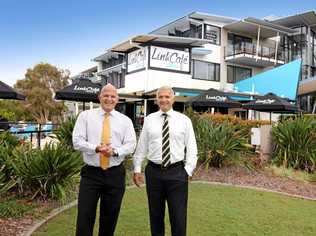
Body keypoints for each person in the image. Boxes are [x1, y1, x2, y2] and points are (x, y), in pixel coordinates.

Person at [73, 83, 136, 236]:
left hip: (115, 175)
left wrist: (114, 152)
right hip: (91, 174)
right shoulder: (85, 116)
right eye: (106, 95)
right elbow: (77, 141)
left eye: (112, 96)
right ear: (99, 97)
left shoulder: (125, 121)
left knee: (110, 217)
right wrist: (96, 148)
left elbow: (131, 144)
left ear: (117, 99)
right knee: (84, 216)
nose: (109, 98)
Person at [133, 86, 198, 236]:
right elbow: (142, 145)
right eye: (160, 97)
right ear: (156, 100)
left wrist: (187, 171)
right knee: (155, 216)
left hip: (177, 173)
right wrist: (137, 168)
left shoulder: (184, 120)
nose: (164, 99)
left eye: (167, 97)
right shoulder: (149, 120)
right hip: (154, 173)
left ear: (173, 99)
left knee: (178, 217)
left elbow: (192, 148)